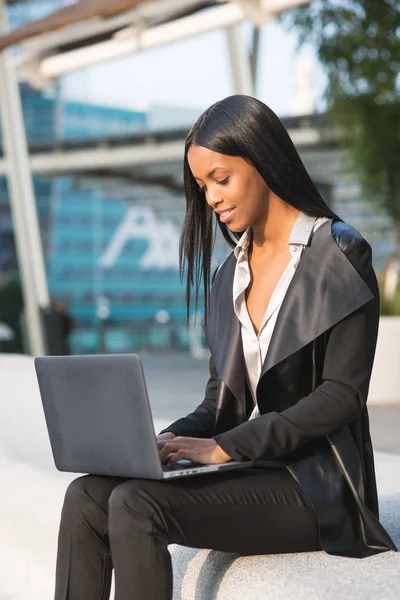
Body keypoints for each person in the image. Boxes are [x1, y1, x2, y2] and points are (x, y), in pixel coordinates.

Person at [54, 95, 396, 600]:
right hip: (251, 471)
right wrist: (160, 446)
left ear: (261, 160)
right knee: (86, 494)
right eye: (202, 185)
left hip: (317, 485)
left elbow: (341, 396)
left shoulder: (340, 253)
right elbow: (220, 404)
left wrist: (226, 447)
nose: (211, 197)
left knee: (137, 505)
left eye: (221, 178)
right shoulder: (229, 274)